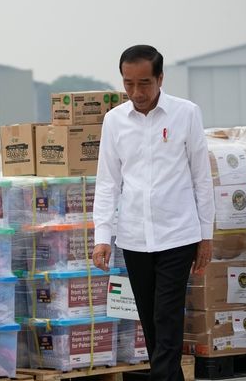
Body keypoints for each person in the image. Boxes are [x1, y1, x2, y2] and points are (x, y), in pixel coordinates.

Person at [92, 45, 215, 381]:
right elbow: (107, 183)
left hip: (178, 234)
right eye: (128, 84)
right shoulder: (114, 121)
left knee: (167, 316)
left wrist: (206, 236)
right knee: (149, 319)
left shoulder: (186, 114)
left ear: (160, 78)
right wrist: (102, 236)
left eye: (144, 83)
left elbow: (201, 179)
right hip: (134, 236)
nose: (136, 92)